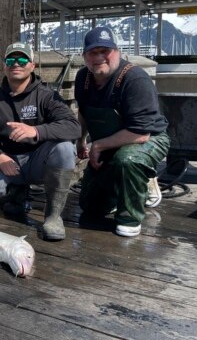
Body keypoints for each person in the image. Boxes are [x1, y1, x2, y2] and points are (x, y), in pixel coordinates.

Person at [0, 42, 81, 240]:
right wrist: (0, 157)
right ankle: (16, 192)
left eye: (22, 59)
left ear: (32, 65)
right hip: (7, 160)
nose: (17, 63)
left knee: (65, 149)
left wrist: (36, 131)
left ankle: (53, 215)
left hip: (37, 161)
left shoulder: (47, 97)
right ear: (4, 66)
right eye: (11, 60)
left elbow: (73, 127)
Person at [75, 26, 170, 237]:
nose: (99, 57)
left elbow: (141, 133)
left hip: (147, 139)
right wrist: (81, 140)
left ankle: (130, 215)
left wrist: (97, 145)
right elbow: (83, 111)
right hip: (111, 141)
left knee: (128, 160)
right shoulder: (83, 78)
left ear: (117, 52)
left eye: (105, 51)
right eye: (93, 52)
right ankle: (124, 187)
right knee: (91, 206)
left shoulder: (135, 79)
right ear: (85, 56)